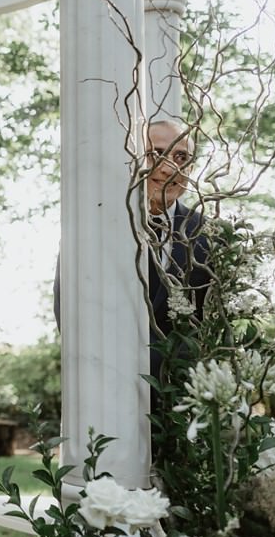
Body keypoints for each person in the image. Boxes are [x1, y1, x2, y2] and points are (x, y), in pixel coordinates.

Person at [54, 119, 210, 407]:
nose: (168, 167)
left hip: (182, 402)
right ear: (134, 160)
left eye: (180, 157)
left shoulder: (206, 234)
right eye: (156, 154)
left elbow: (208, 325)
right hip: (107, 399)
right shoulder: (92, 224)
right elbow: (69, 311)